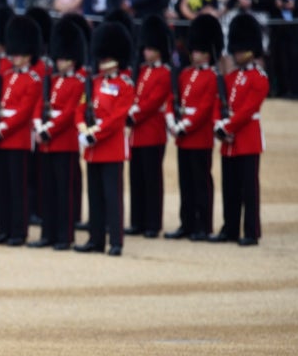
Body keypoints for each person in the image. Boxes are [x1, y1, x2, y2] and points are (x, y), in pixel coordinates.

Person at [73, 21, 135, 257]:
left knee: (112, 197)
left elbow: (117, 118)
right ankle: (95, 239)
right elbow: (81, 108)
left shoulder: (124, 85)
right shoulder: (95, 83)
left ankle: (116, 241)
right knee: (95, 196)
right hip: (92, 148)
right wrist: (82, 129)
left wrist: (93, 134)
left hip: (110, 148)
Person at [209, 13, 269, 246]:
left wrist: (228, 126)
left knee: (249, 190)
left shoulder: (259, 78)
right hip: (229, 140)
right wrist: (219, 123)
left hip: (247, 138)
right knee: (230, 187)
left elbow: (247, 110)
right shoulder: (230, 77)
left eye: (241, 49)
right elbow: (219, 102)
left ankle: (251, 232)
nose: (237, 54)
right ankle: (230, 228)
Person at [0, 15, 42, 247]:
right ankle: (3, 229)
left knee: (18, 189)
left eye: (20, 54)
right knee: (1, 187)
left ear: (29, 55)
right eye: (14, 53)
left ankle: (19, 232)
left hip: (16, 139)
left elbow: (23, 113)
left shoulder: (34, 79)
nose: (15, 58)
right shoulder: (5, 76)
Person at [27, 17, 85, 251]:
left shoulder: (78, 83)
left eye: (65, 59)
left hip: (65, 142)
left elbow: (70, 112)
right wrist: (39, 126)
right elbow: (39, 105)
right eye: (59, 58)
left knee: (64, 192)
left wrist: (47, 129)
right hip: (46, 142)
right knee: (48, 191)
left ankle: (65, 235)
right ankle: (48, 234)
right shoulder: (50, 81)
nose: (61, 63)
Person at [164, 14, 222, 241]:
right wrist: (172, 121)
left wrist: (184, 125)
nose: (194, 53)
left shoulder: (212, 76)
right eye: (194, 49)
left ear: (208, 51)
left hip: (199, 136)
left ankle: (204, 225)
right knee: (185, 182)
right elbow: (173, 98)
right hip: (183, 135)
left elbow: (205, 108)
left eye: (198, 50)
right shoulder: (186, 74)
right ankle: (187, 223)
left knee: (201, 183)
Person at [125, 15, 172, 239]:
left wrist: (134, 113)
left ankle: (153, 223)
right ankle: (138, 221)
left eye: (150, 49)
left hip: (153, 133)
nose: (146, 52)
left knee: (152, 180)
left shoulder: (165, 73)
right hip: (137, 134)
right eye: (145, 48)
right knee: (137, 179)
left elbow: (153, 101)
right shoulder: (141, 71)